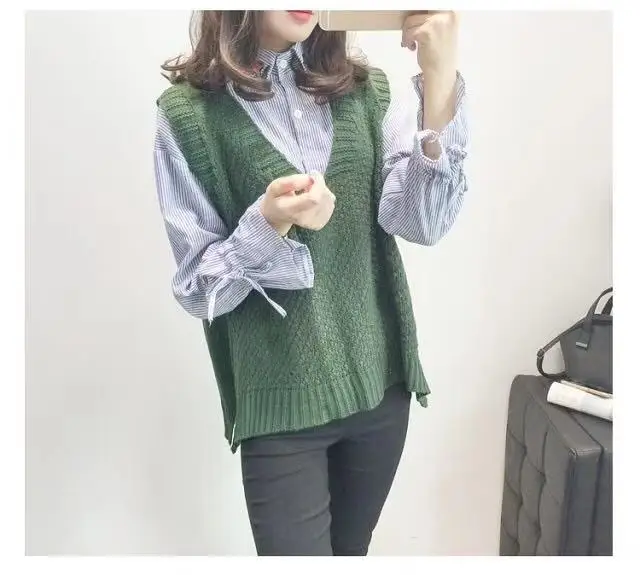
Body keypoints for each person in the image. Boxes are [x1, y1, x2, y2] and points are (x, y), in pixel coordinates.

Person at [153, 10, 468, 556]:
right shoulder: (188, 115)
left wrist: (439, 84)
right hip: (281, 407)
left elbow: (424, 222)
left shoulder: (366, 93)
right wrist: (267, 224)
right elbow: (198, 291)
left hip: (380, 390)